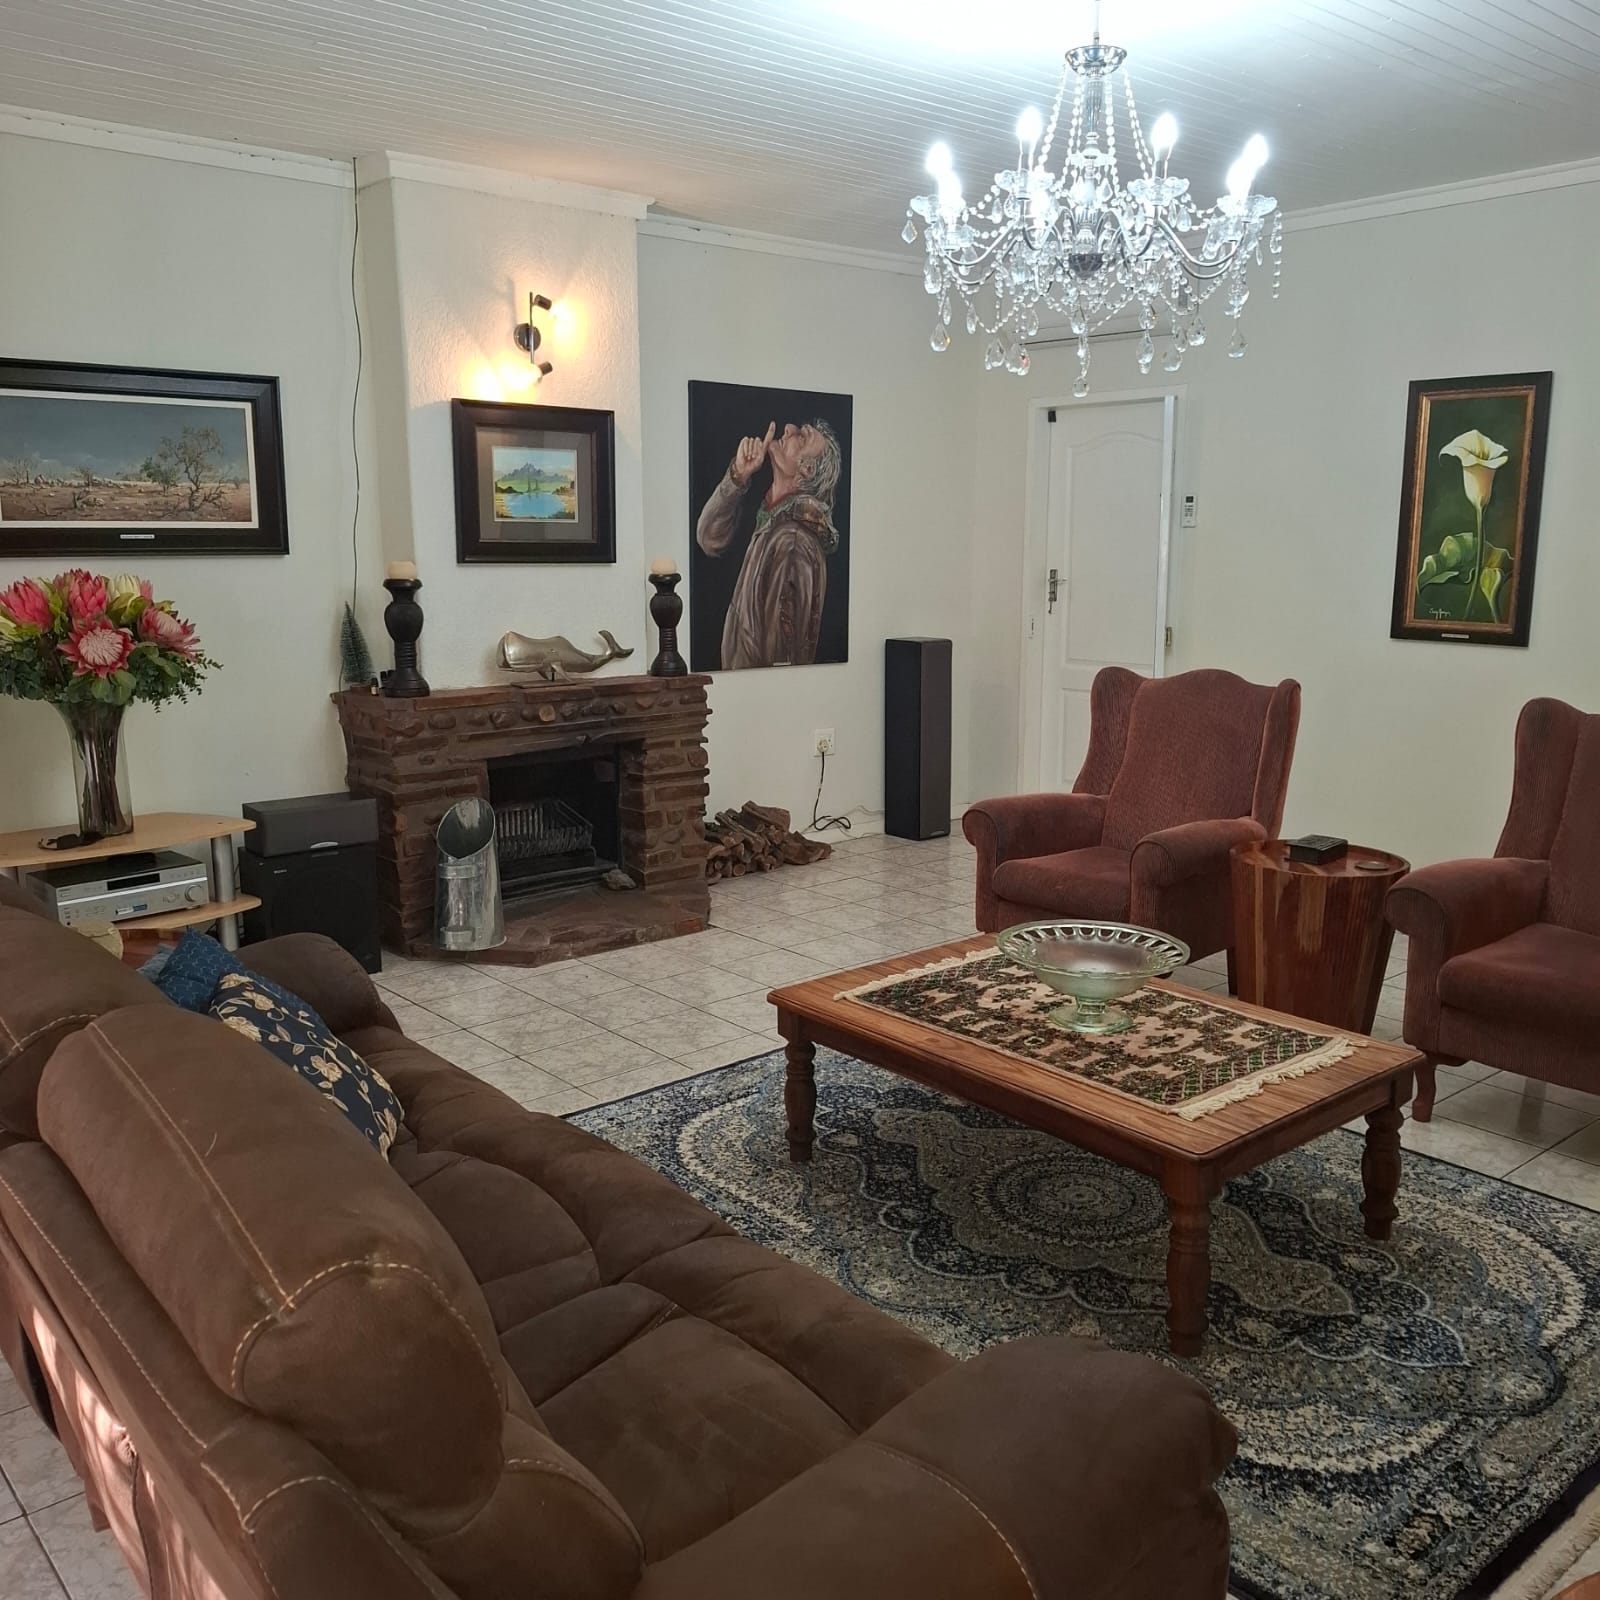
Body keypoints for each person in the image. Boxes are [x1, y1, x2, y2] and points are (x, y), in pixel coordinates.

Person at [695, 417, 842, 669]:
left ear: (807, 470)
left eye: (802, 437)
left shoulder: (792, 543)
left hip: (753, 690)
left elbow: (780, 660)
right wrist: (738, 476)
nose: (789, 429)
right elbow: (708, 538)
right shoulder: (772, 518)